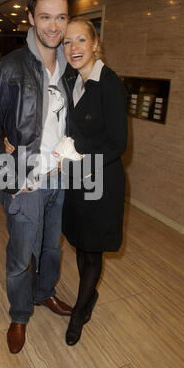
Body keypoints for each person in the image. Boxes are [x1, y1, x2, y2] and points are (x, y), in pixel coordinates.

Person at [0, 0, 74, 354]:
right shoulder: (10, 67)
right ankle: (20, 314)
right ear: (31, 17)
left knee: (52, 249)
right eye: (46, 16)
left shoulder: (70, 69)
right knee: (20, 258)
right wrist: (10, 180)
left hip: (60, 179)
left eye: (61, 17)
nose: (54, 25)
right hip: (26, 183)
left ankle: (45, 293)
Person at [54, 17, 128, 345]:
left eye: (80, 40)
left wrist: (76, 148)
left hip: (101, 178)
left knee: (93, 249)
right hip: (76, 176)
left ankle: (80, 313)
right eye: (68, 42)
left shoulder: (109, 84)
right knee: (81, 243)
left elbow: (118, 143)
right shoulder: (71, 78)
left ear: (95, 43)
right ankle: (88, 297)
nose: (73, 48)